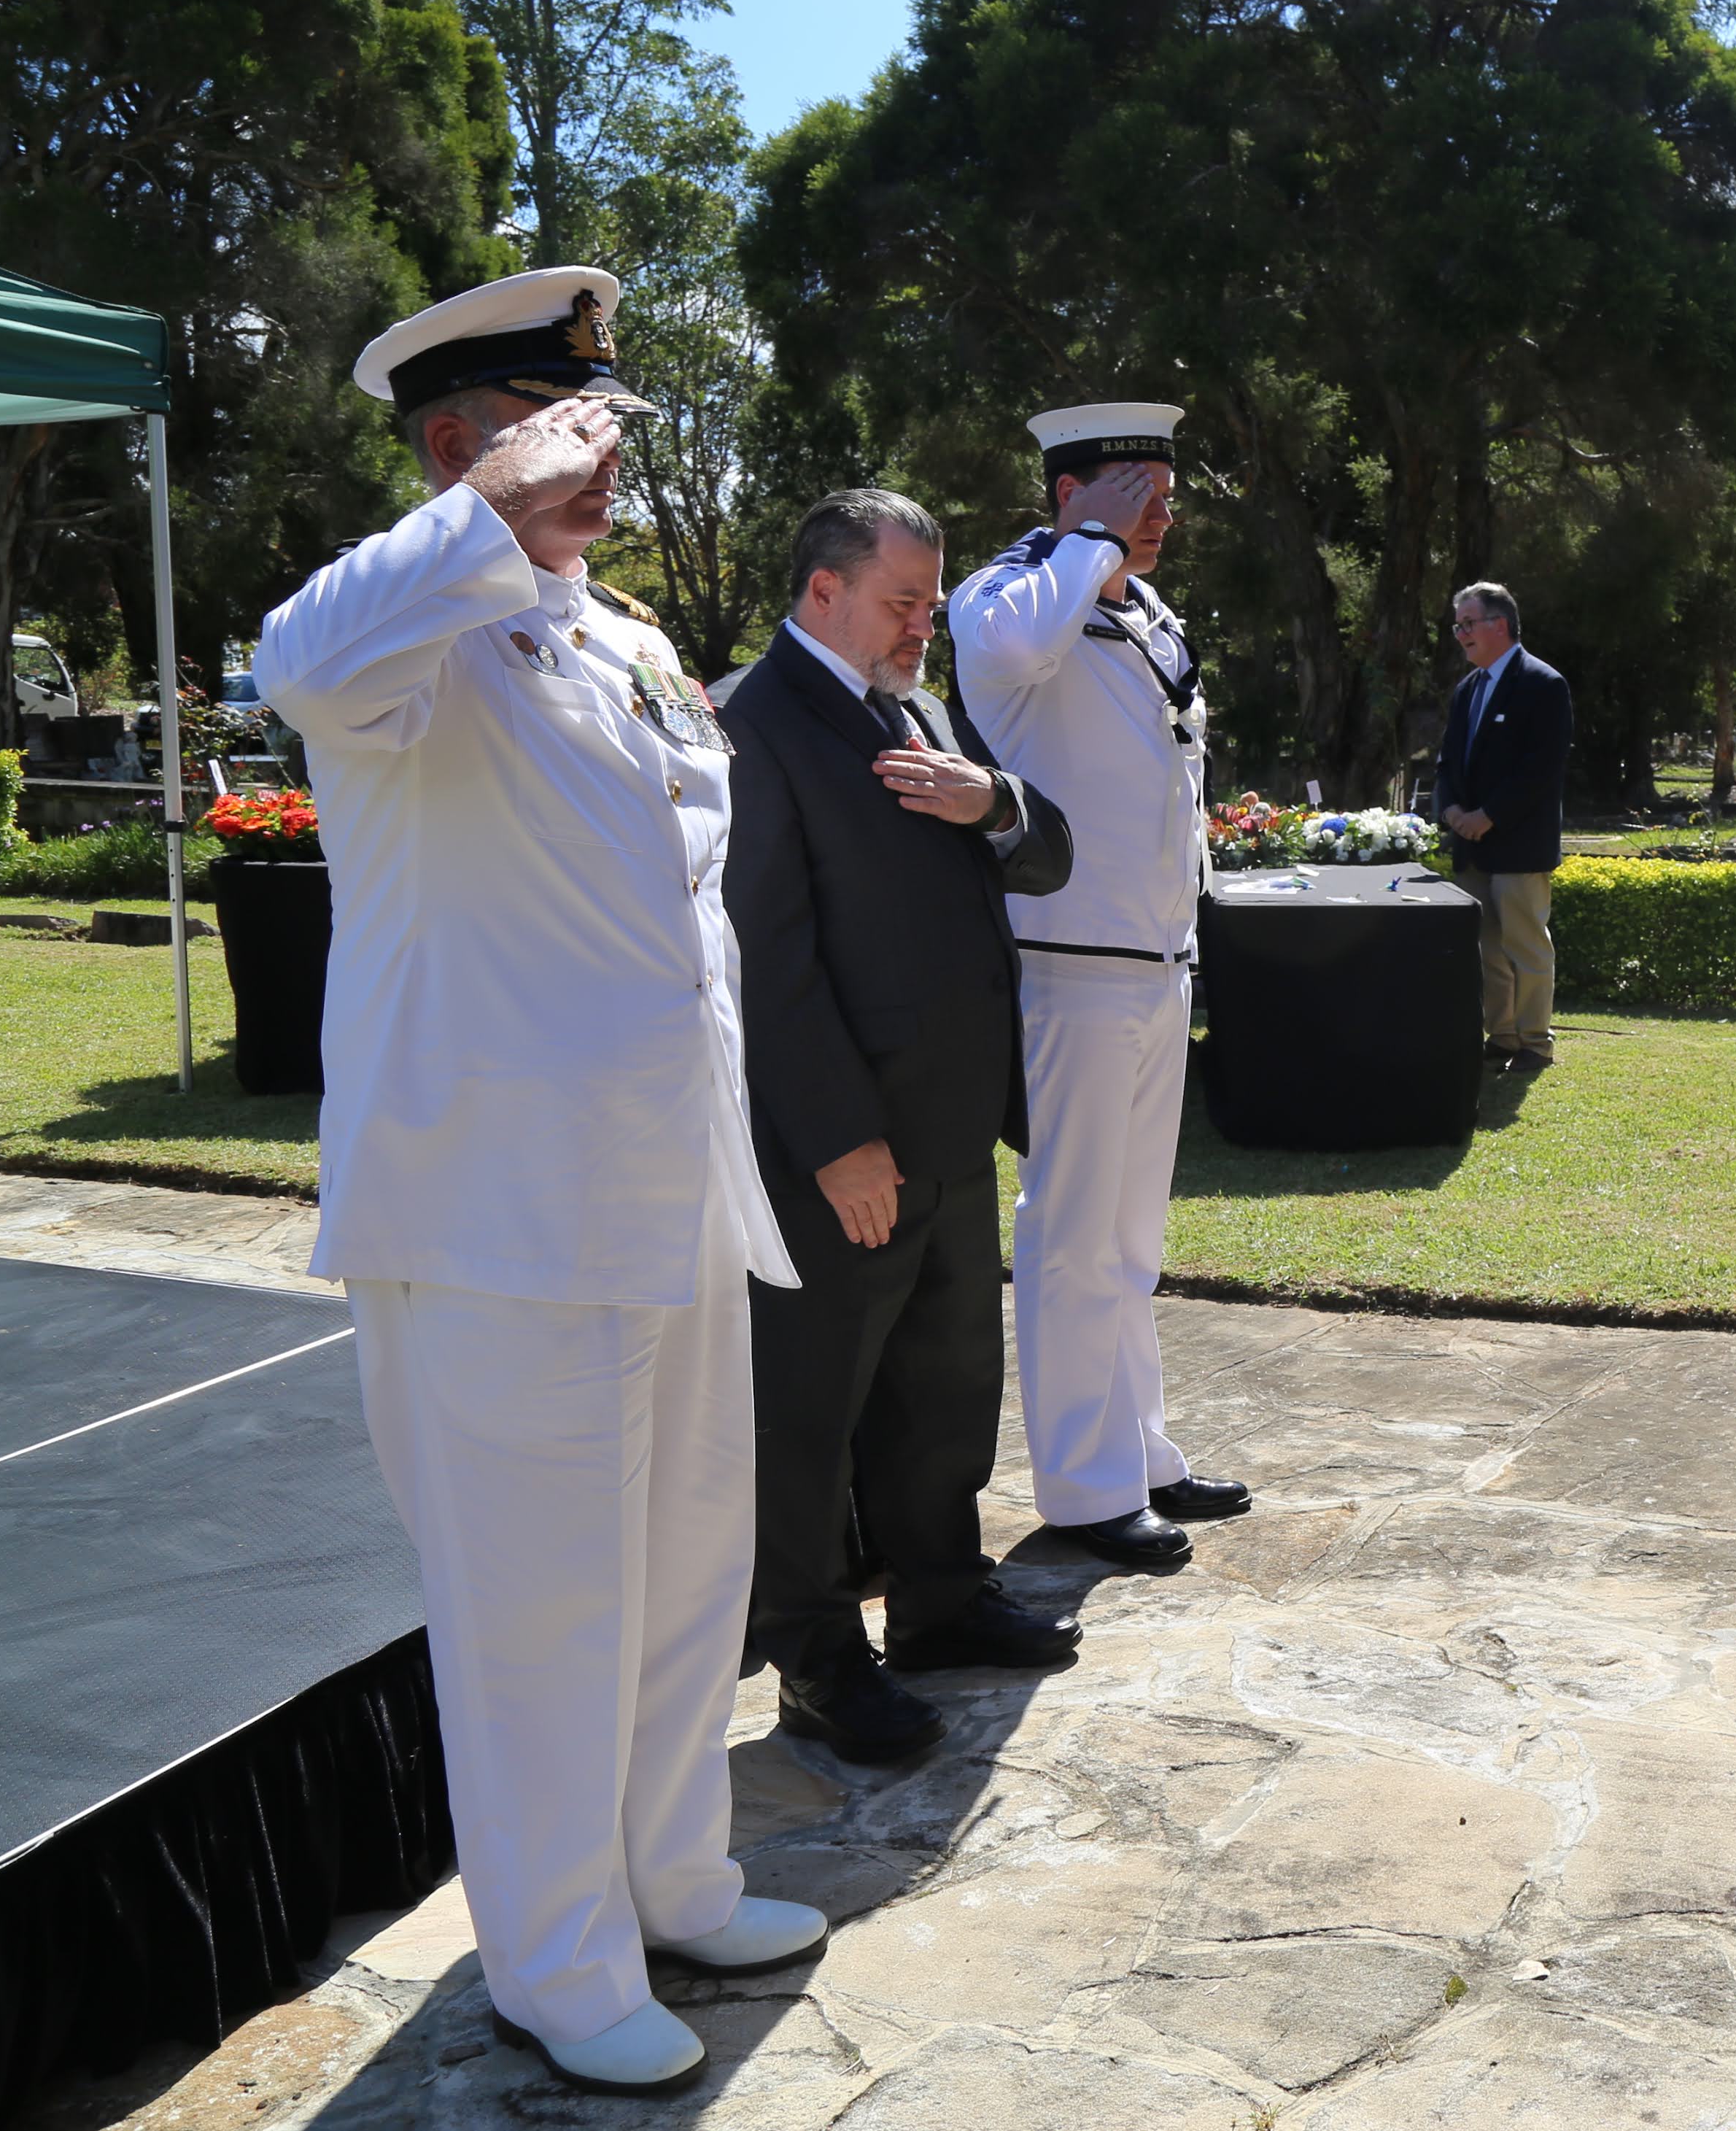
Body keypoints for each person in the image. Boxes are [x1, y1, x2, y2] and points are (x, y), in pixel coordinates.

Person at [252, 268, 824, 2099]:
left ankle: (671, 1876)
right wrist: (485, 517)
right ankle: (554, 1964)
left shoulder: (620, 641)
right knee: (538, 1608)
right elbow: (294, 660)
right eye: (559, 433)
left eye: (604, 430)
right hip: (499, 1211)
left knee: (674, 1578)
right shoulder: (402, 643)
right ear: (452, 447)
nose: (601, 462)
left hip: (667, 1180)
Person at [721, 490, 1084, 1766]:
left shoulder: (915, 712)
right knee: (810, 1415)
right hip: (843, 1155)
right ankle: (817, 1662)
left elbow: (1046, 858)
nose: (923, 625)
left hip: (947, 1128)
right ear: (824, 589)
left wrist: (987, 799)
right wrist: (835, 1139)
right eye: (903, 602)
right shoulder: (751, 725)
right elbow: (766, 958)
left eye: (929, 602)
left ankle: (938, 1601)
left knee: (942, 1386)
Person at [946, 403, 1251, 1571]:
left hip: (1153, 961)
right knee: (1072, 1235)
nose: (1159, 520)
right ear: (1071, 494)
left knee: (1131, 1235)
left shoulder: (1138, 606)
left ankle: (1140, 1454)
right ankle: (1081, 1488)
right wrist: (1092, 543)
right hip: (1066, 965)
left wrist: (1114, 557)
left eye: (1166, 500)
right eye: (1138, 496)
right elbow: (1007, 657)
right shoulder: (1015, 590)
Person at [1435, 581, 1573, 1074]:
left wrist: (1488, 815)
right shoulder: (1467, 689)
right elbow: (1447, 761)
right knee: (1487, 947)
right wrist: (1451, 811)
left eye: (1468, 623)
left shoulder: (1544, 684)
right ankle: (1504, 1035)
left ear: (1501, 624)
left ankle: (1536, 1042)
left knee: (1525, 945)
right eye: (1457, 626)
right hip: (1472, 847)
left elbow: (1541, 768)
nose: (1460, 634)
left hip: (1518, 844)